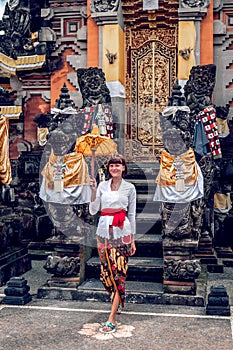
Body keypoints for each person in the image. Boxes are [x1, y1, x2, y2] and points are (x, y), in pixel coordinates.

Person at [89, 154, 136, 334]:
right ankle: (117, 301)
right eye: (112, 165)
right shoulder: (101, 186)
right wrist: (92, 191)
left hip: (122, 232)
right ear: (108, 169)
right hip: (103, 233)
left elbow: (131, 215)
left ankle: (112, 318)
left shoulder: (130, 188)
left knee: (119, 274)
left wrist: (133, 239)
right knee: (105, 274)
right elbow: (93, 210)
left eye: (118, 165)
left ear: (124, 168)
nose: (115, 168)